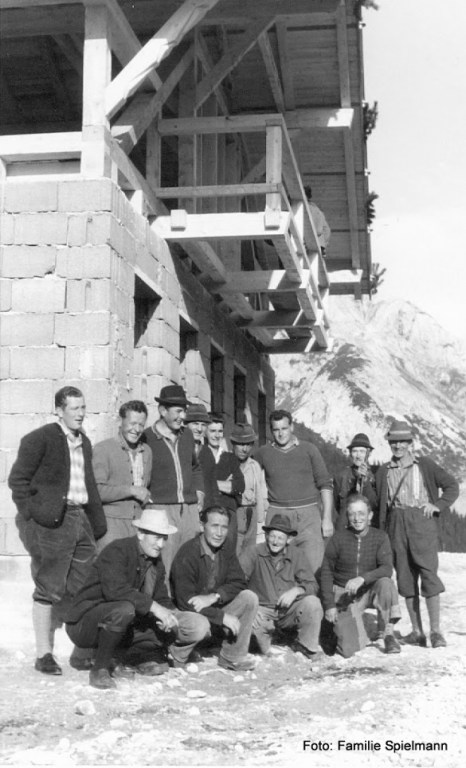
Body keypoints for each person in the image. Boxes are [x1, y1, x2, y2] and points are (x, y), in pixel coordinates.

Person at [8, 385, 106, 675]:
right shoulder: (40, 438)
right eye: (74, 408)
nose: (80, 413)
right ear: (59, 411)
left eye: (83, 407)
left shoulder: (84, 442)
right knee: (49, 586)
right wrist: (34, 514)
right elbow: (18, 480)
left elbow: (88, 483)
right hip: (54, 521)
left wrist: (96, 524)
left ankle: (81, 651)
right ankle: (44, 654)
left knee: (84, 585)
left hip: (82, 518)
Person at [65, 508, 210, 689]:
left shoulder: (156, 562)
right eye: (156, 537)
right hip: (85, 623)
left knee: (191, 624)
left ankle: (128, 658)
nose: (161, 544)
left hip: (125, 622)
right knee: (125, 609)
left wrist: (169, 617)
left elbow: (161, 598)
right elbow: (115, 591)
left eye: (164, 538)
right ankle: (100, 668)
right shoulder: (118, 550)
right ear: (141, 533)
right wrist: (155, 608)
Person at [376, 420, 459, 649]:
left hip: (421, 522)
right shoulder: (384, 471)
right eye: (394, 442)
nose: (398, 446)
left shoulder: (425, 465)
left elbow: (451, 486)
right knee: (404, 575)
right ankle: (417, 632)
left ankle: (436, 632)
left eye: (402, 441)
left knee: (428, 573)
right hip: (395, 523)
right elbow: (377, 501)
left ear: (410, 443)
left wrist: (437, 506)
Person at [170, 505, 259, 672]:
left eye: (224, 527)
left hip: (212, 608)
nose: (219, 533)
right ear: (202, 526)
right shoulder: (188, 553)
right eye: (214, 526)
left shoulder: (226, 548)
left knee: (249, 598)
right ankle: (176, 654)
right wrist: (222, 617)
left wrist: (215, 596)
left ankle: (232, 657)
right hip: (188, 613)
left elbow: (239, 582)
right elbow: (184, 601)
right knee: (200, 625)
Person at [255, 409, 333, 577]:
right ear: (271, 431)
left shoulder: (309, 449)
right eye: (276, 429)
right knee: (278, 570)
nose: (280, 433)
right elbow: (248, 475)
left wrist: (327, 519)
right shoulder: (263, 452)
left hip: (308, 517)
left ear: (292, 427)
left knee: (313, 569)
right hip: (278, 516)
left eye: (284, 428)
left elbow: (325, 485)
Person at [321, 493, 402, 655]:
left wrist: (362, 578)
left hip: (368, 591)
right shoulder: (338, 538)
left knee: (386, 583)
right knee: (350, 648)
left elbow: (387, 568)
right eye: (352, 514)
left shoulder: (380, 537)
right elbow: (326, 572)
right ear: (347, 516)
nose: (357, 518)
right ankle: (342, 628)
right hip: (344, 596)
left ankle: (388, 633)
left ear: (370, 515)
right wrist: (329, 605)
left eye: (361, 513)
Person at [240, 514, 323, 659]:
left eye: (280, 538)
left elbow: (312, 585)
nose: (275, 541)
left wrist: (297, 590)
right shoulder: (253, 552)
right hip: (262, 610)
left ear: (288, 539)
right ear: (266, 536)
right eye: (272, 536)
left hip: (287, 611)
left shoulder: (296, 554)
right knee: (254, 630)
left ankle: (306, 646)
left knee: (312, 603)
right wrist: (250, 607)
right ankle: (266, 645)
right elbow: (237, 581)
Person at [143, 385, 205, 574]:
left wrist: (199, 491)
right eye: (178, 411)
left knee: (190, 563)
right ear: (163, 410)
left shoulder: (187, 435)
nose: (183, 416)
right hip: (161, 510)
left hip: (189, 510)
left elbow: (195, 467)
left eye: (184, 411)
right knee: (165, 564)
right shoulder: (146, 438)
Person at [92, 400, 152, 551]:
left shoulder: (147, 451)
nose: (136, 429)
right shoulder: (103, 449)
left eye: (141, 425)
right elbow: (96, 491)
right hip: (111, 527)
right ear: (120, 421)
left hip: (138, 526)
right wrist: (131, 490)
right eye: (132, 423)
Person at [198, 414, 245, 549]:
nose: (217, 435)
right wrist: (224, 484)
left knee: (228, 551)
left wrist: (209, 483)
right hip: (206, 513)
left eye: (220, 431)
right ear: (205, 432)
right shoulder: (199, 455)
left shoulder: (230, 458)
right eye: (213, 431)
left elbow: (239, 485)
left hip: (228, 513)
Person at [230, 423, 268, 554]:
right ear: (233, 444)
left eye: (248, 444)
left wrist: (260, 519)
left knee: (249, 552)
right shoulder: (226, 463)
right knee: (234, 551)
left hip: (252, 513)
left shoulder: (254, 465)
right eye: (241, 444)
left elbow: (259, 493)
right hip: (235, 512)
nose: (244, 449)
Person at [334, 433, 378, 530]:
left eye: (362, 451)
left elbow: (374, 504)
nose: (358, 456)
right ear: (350, 453)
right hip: (345, 527)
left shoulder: (376, 476)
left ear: (369, 453)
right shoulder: (341, 476)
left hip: (368, 528)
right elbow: (335, 506)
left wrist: (365, 481)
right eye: (355, 451)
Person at [304, 185, 331, 256]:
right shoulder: (315, 209)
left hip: (309, 246)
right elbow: (327, 230)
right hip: (316, 246)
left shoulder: (310, 209)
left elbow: (318, 230)